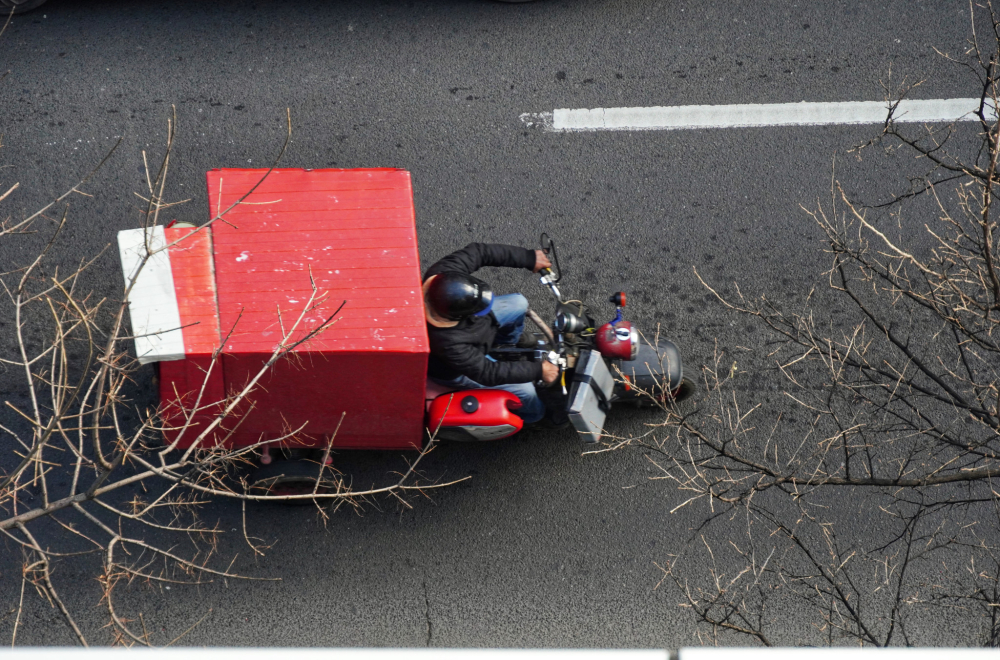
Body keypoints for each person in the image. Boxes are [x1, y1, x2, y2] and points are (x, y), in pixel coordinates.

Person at [423, 242, 559, 425]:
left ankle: (510, 340)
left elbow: (480, 252)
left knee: (518, 302)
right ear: (460, 316)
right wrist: (539, 370)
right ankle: (536, 416)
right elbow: (488, 372)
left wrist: (529, 258)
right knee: (526, 391)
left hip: (477, 330)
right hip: (460, 369)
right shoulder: (448, 343)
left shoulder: (443, 273)